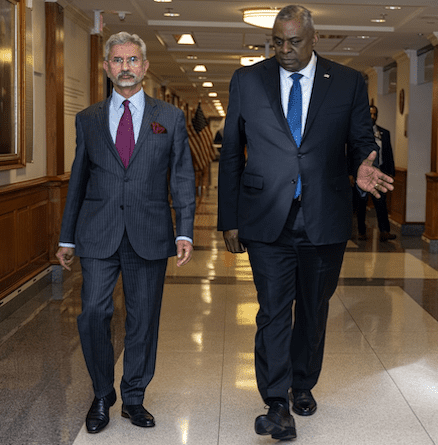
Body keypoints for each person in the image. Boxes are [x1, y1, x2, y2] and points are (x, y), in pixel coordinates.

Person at [217, 5, 394, 440]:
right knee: (273, 312)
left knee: (313, 311)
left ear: (315, 39)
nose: (284, 50)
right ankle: (276, 402)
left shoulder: (349, 81)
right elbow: (231, 153)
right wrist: (229, 218)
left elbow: (359, 141)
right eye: (277, 42)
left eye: (294, 41)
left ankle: (302, 383)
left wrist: (363, 166)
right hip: (265, 219)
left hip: (324, 216)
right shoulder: (248, 80)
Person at [56, 32, 196, 434]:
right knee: (93, 313)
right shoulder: (89, 119)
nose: (125, 68)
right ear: (106, 67)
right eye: (117, 61)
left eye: (132, 60)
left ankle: (134, 396)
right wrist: (67, 237)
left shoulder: (168, 117)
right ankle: (102, 392)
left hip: (150, 232)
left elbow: (182, 176)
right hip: (98, 233)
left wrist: (184, 230)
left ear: (145, 66)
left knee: (143, 318)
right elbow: (78, 180)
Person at [354, 105, 396, 241]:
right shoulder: (358, 133)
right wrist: (350, 173)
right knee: (362, 204)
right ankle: (361, 231)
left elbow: (388, 153)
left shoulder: (384, 133)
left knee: (381, 203)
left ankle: (384, 231)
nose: (373, 117)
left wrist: (390, 172)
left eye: (375, 114)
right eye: (370, 114)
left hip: (380, 174)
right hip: (363, 176)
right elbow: (352, 154)